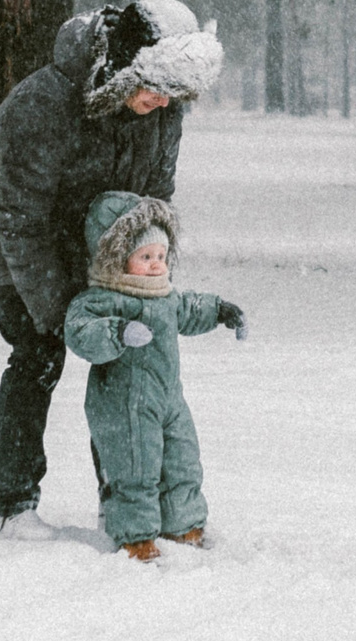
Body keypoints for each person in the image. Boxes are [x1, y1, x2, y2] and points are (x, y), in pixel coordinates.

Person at [0, 0, 223, 536]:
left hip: (80, 220)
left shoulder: (162, 109)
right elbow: (19, 216)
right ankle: (13, 502)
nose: (163, 102)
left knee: (124, 348)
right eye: (155, 88)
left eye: (174, 92)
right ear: (124, 67)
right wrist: (59, 312)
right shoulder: (47, 101)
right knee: (40, 349)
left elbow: (151, 202)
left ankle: (122, 501)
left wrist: (143, 280)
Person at [63, 191, 244, 560]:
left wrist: (221, 311)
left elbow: (191, 309)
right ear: (118, 259)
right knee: (136, 468)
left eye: (161, 256)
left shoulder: (165, 298)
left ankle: (184, 525)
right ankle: (136, 536)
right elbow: (80, 331)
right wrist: (117, 332)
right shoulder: (104, 298)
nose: (156, 265)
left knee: (183, 461)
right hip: (124, 403)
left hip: (168, 399)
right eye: (145, 257)